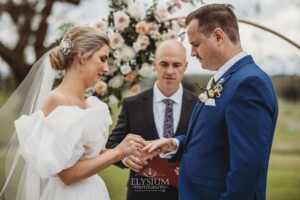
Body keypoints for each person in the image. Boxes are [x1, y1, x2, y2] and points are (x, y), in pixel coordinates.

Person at [143, 4, 278, 200]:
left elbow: (247, 168)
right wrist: (175, 144)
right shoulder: (226, 78)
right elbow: (214, 139)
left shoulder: (249, 83)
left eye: (195, 44)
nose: (192, 52)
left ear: (218, 36)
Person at [0, 26, 147, 200]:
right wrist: (118, 153)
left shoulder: (87, 103)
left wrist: (124, 153)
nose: (107, 69)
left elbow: (84, 154)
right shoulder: (57, 100)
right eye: (103, 59)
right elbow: (67, 174)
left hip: (93, 191)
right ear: (82, 56)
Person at [106, 40, 198, 200]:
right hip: (142, 193)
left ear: (185, 66)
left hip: (185, 193)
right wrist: (125, 158)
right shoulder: (132, 104)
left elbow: (206, 147)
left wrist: (192, 163)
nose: (170, 71)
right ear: (154, 64)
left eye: (176, 65)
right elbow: (112, 144)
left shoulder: (199, 105)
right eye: (164, 64)